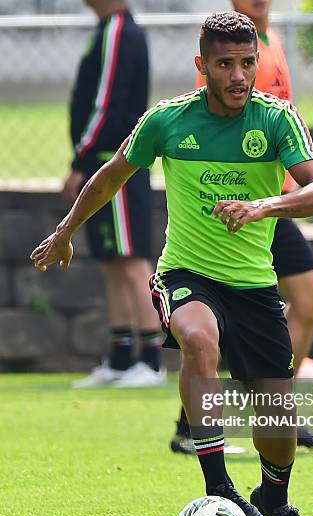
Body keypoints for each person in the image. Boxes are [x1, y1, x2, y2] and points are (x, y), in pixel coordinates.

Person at [31, 12, 313, 516]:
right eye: (226, 65)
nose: (240, 76)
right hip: (184, 274)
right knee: (198, 340)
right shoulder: (167, 121)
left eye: (248, 63)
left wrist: (264, 205)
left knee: (277, 426)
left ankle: (274, 497)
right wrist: (64, 230)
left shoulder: (276, 120)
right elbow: (110, 176)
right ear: (203, 67)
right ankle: (219, 487)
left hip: (254, 286)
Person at [170, 0, 313, 454]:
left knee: (310, 299)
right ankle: (217, 417)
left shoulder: (269, 41)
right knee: (236, 316)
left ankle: (267, 405)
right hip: (243, 203)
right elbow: (222, 121)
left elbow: (284, 119)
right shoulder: (237, 55)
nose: (238, 73)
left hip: (275, 199)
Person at [63, 0, 165, 388]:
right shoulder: (107, 30)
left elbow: (106, 103)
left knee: (132, 258)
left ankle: (151, 359)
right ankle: (122, 358)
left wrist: (81, 158)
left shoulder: (121, 31)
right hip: (100, 164)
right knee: (111, 260)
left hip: (116, 166)